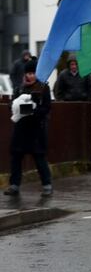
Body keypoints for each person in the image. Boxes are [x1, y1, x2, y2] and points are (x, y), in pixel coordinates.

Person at [4, 59, 53, 197]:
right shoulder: (20, 88)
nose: (29, 76)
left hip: (36, 129)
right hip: (20, 128)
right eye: (27, 73)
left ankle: (47, 185)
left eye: (32, 73)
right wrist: (15, 108)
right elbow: (12, 104)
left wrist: (33, 110)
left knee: (39, 157)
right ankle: (14, 185)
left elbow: (47, 108)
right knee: (16, 156)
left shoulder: (43, 88)